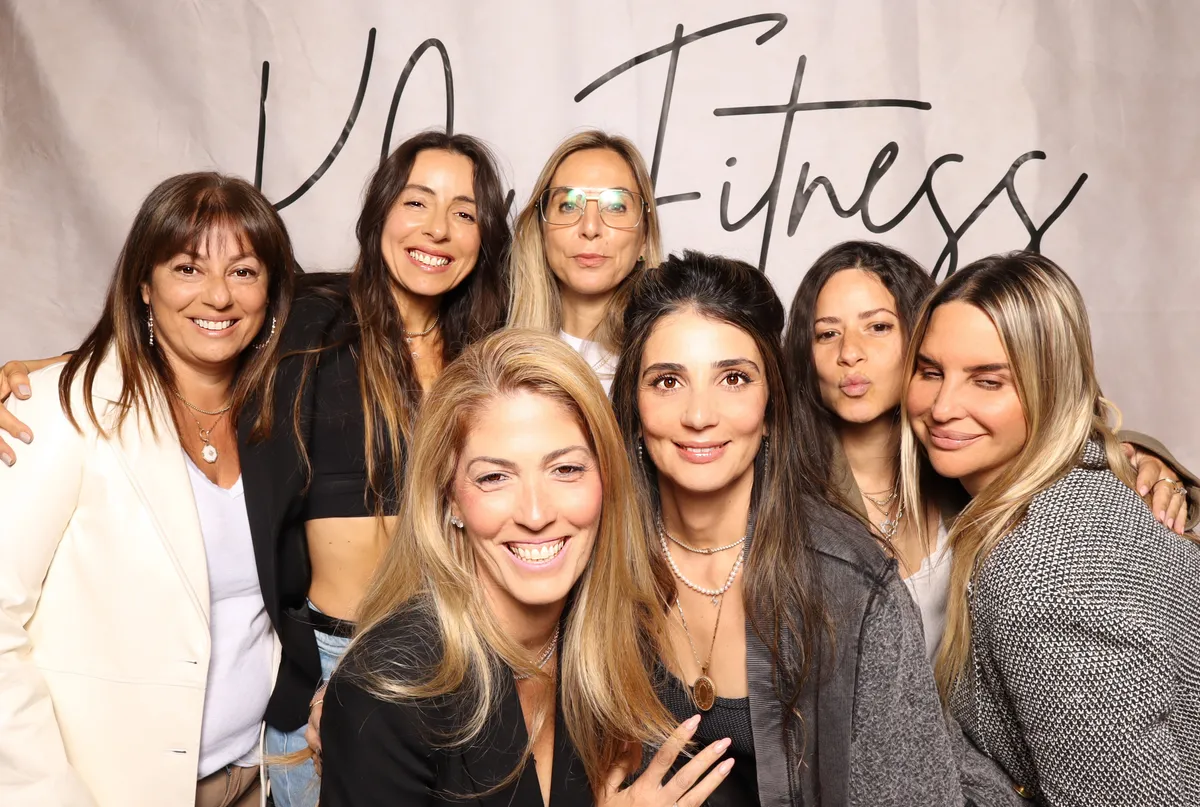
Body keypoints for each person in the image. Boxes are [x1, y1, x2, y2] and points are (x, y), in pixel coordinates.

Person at [0, 130, 512, 807]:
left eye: (464, 211)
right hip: (317, 661)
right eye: (417, 201)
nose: (437, 227)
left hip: (441, 649)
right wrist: (50, 373)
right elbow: (198, 328)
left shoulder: (490, 355)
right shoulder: (312, 319)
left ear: (486, 235)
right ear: (381, 211)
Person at [609, 251, 1018, 806]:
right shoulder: (591, 561)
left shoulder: (853, 586)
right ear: (633, 409)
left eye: (734, 378)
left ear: (770, 406)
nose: (699, 415)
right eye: (667, 381)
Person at [320, 329, 731, 806]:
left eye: (566, 470)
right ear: (450, 498)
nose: (535, 514)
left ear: (606, 479)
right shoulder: (387, 693)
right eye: (495, 477)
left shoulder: (612, 642)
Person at [0, 172, 295, 806]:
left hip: (257, 775)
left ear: (270, 292)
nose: (218, 295)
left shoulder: (281, 413)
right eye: (188, 268)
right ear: (144, 284)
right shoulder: (61, 409)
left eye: (244, 272)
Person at [783, 240, 1197, 657]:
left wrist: (1141, 461)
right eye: (827, 333)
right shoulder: (784, 492)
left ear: (920, 332)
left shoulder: (963, 465)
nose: (850, 354)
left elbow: (1055, 422)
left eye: (878, 327)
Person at [900, 251, 1200, 805]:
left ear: (1052, 385)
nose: (942, 406)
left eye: (987, 381)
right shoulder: (1090, 482)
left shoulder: (1040, 577)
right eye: (931, 371)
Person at [507, 130, 662, 392]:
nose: (590, 228)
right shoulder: (497, 363)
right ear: (541, 232)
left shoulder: (669, 361)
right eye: (568, 205)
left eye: (616, 206)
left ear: (644, 238)